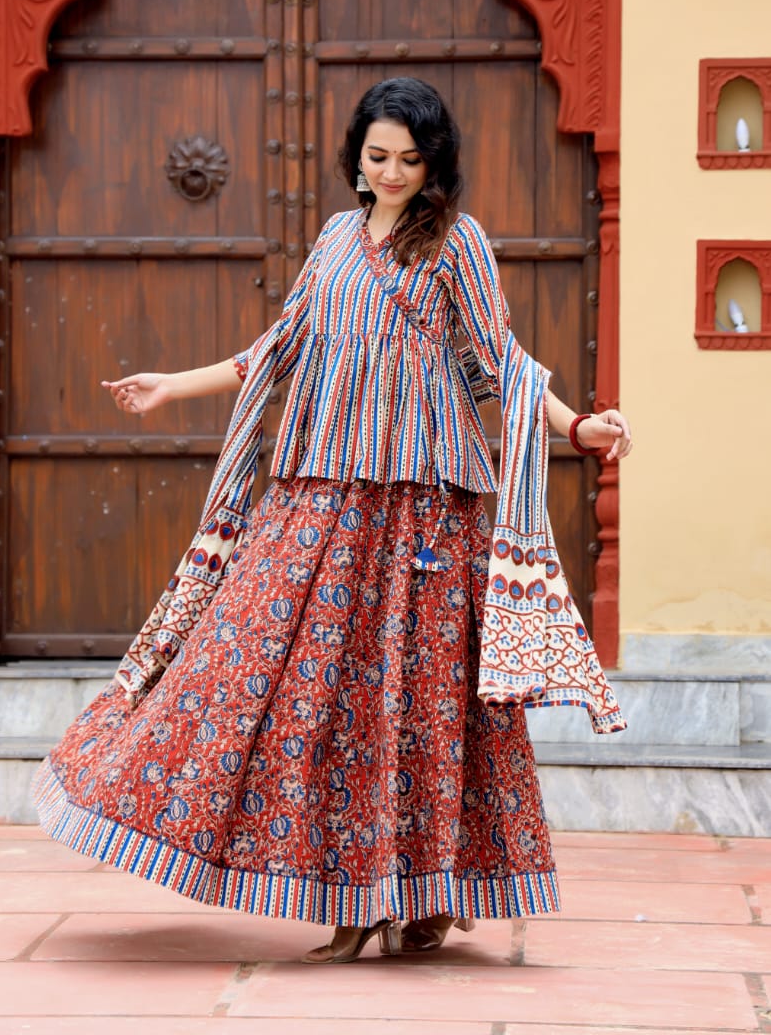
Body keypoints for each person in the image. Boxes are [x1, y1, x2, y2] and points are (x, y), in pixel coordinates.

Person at [33, 77, 631, 965]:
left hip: (426, 506)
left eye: (408, 159)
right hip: (319, 493)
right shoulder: (333, 240)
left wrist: (575, 425)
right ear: (356, 154)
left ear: (434, 165)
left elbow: (497, 361)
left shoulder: (457, 244)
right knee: (284, 684)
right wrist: (171, 387)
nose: (389, 173)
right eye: (376, 156)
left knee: (418, 704)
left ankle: (420, 899)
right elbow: (277, 349)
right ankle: (349, 895)